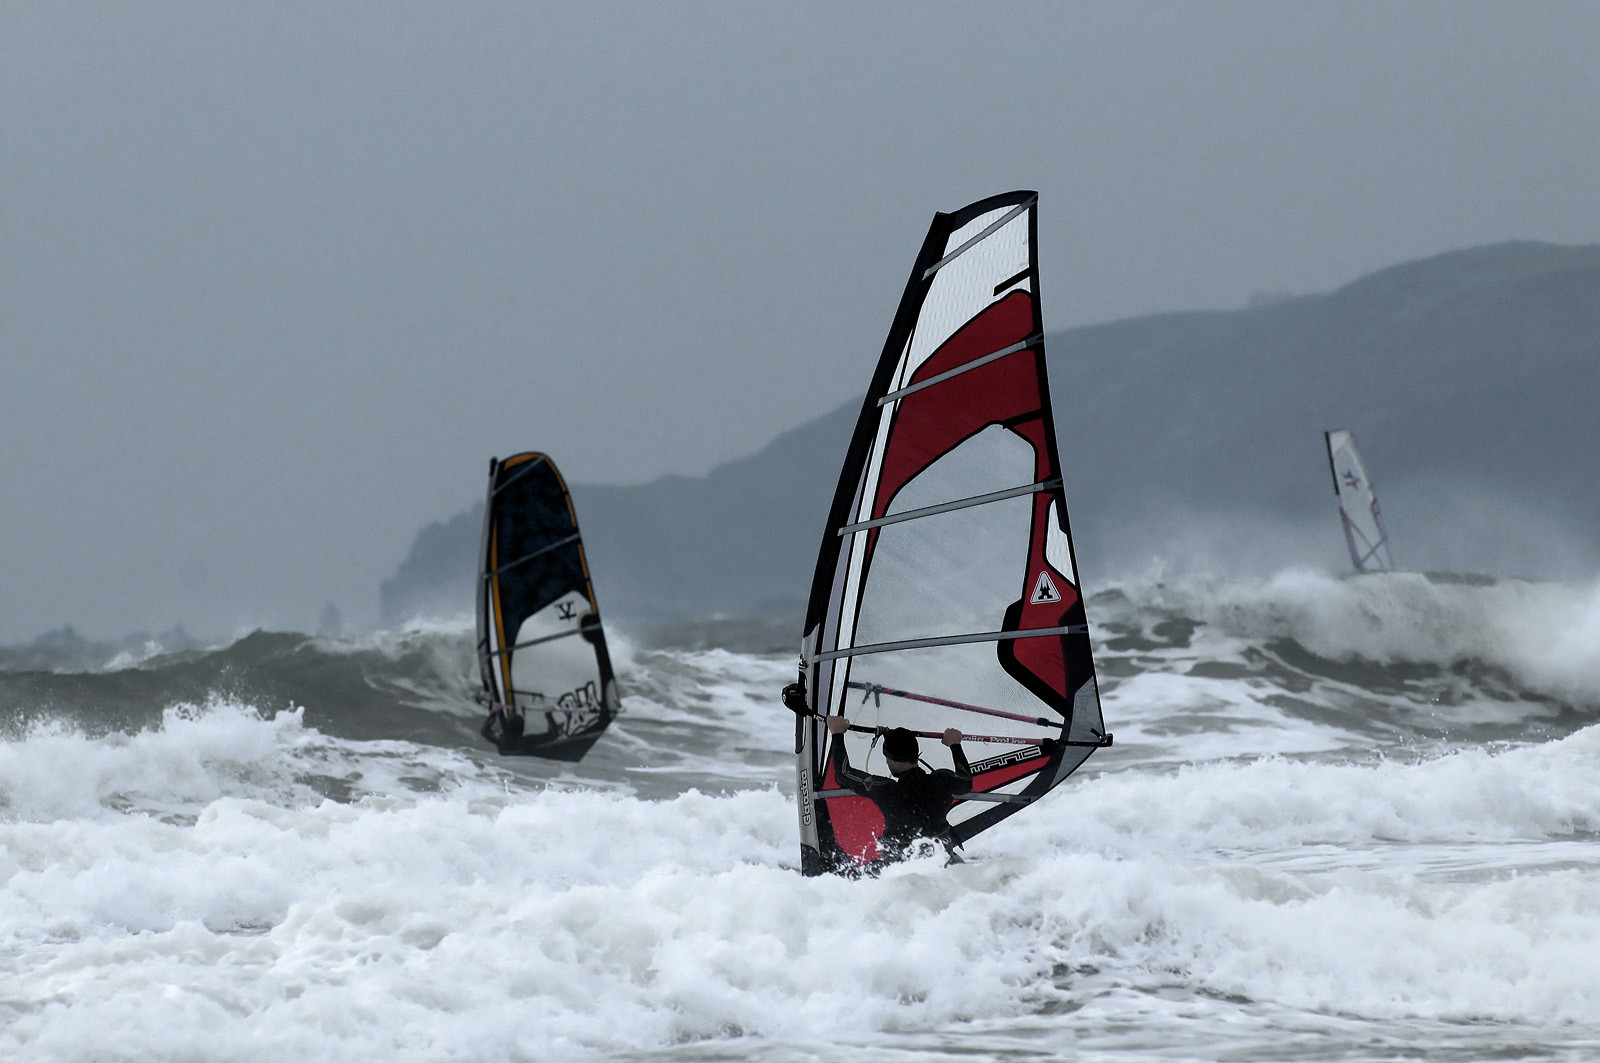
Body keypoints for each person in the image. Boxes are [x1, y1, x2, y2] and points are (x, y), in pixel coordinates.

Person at [825, 713, 972, 863]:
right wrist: (955, 745)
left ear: (890, 760)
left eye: (888, 759)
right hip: (940, 854)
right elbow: (966, 783)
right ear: (916, 754)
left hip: (902, 861)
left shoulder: (887, 790)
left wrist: (837, 734)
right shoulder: (941, 780)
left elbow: (843, 774)